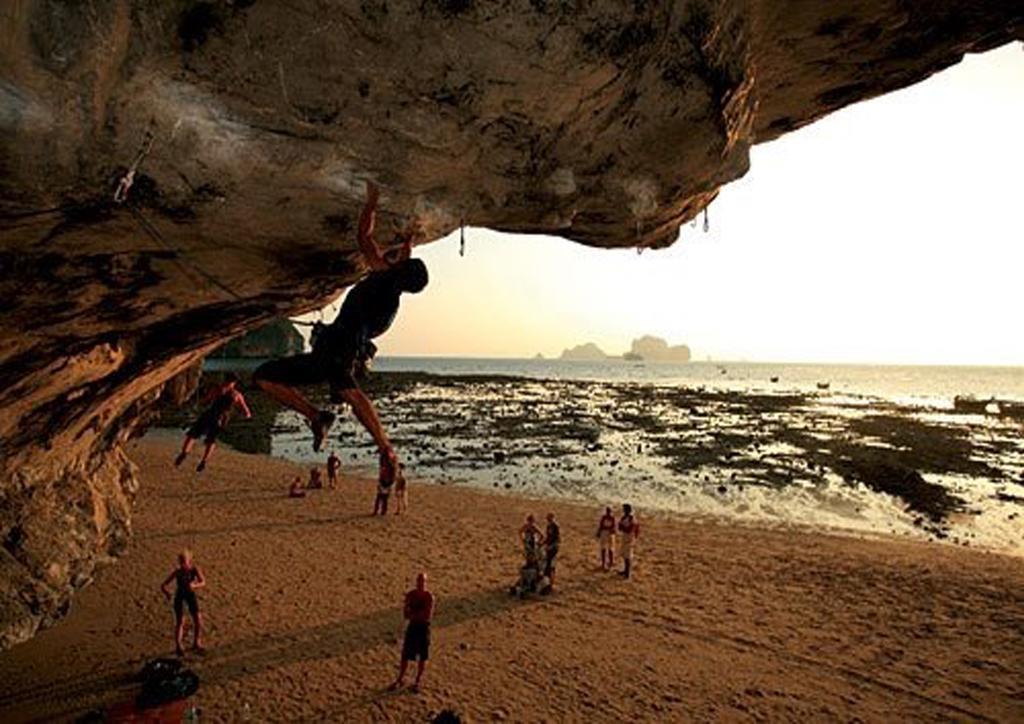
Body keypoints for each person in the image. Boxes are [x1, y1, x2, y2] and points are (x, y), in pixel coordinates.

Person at [252, 181, 428, 469]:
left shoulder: (383, 278)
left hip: (340, 346)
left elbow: (364, 236)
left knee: (348, 392)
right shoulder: (392, 296)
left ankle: (383, 446)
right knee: (267, 377)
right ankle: (319, 417)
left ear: (398, 269)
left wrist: (372, 201)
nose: (391, 257)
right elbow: (403, 262)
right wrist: (408, 240)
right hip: (333, 349)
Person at [174, 373, 251, 472]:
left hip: (210, 415)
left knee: (193, 434)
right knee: (210, 440)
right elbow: (246, 411)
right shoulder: (237, 395)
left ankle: (184, 453)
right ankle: (203, 461)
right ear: (235, 383)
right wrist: (245, 416)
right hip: (221, 419)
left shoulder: (218, 390)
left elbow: (206, 400)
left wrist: (198, 403)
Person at [390, 572, 435, 692]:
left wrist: (412, 614)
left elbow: (426, 615)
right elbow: (406, 613)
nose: (421, 584)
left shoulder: (429, 597)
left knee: (422, 656)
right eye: (419, 581)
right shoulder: (411, 595)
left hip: (423, 628)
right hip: (413, 627)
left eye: (423, 581)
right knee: (405, 654)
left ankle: (417, 681)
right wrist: (413, 614)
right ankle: (400, 679)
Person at [160, 550, 206, 656]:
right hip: (180, 597)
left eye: (184, 561)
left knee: (198, 619)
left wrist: (195, 586)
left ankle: (196, 642)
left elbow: (203, 582)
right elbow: (163, 585)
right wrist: (167, 593)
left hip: (190, 596)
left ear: (189, 560)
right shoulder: (178, 572)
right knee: (180, 621)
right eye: (181, 561)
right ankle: (179, 645)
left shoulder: (194, 570)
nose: (182, 564)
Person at [618, 504, 640, 579]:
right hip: (625, 537)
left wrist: (623, 527)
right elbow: (620, 528)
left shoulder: (632, 519)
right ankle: (625, 570)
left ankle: (628, 573)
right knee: (624, 554)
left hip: (629, 538)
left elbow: (630, 529)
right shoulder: (624, 517)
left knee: (628, 556)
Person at [541, 513, 560, 594]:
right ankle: (547, 583)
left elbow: (557, 539)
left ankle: (551, 584)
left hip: (553, 549)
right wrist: (542, 543)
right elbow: (548, 537)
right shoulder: (548, 526)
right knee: (547, 566)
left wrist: (551, 546)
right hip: (548, 548)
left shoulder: (555, 526)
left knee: (551, 566)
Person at [596, 506, 616, 571]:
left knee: (611, 549)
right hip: (604, 533)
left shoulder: (612, 518)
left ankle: (610, 562)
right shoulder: (604, 517)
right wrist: (599, 532)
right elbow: (601, 525)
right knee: (603, 548)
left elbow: (613, 527)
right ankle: (603, 563)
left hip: (609, 533)